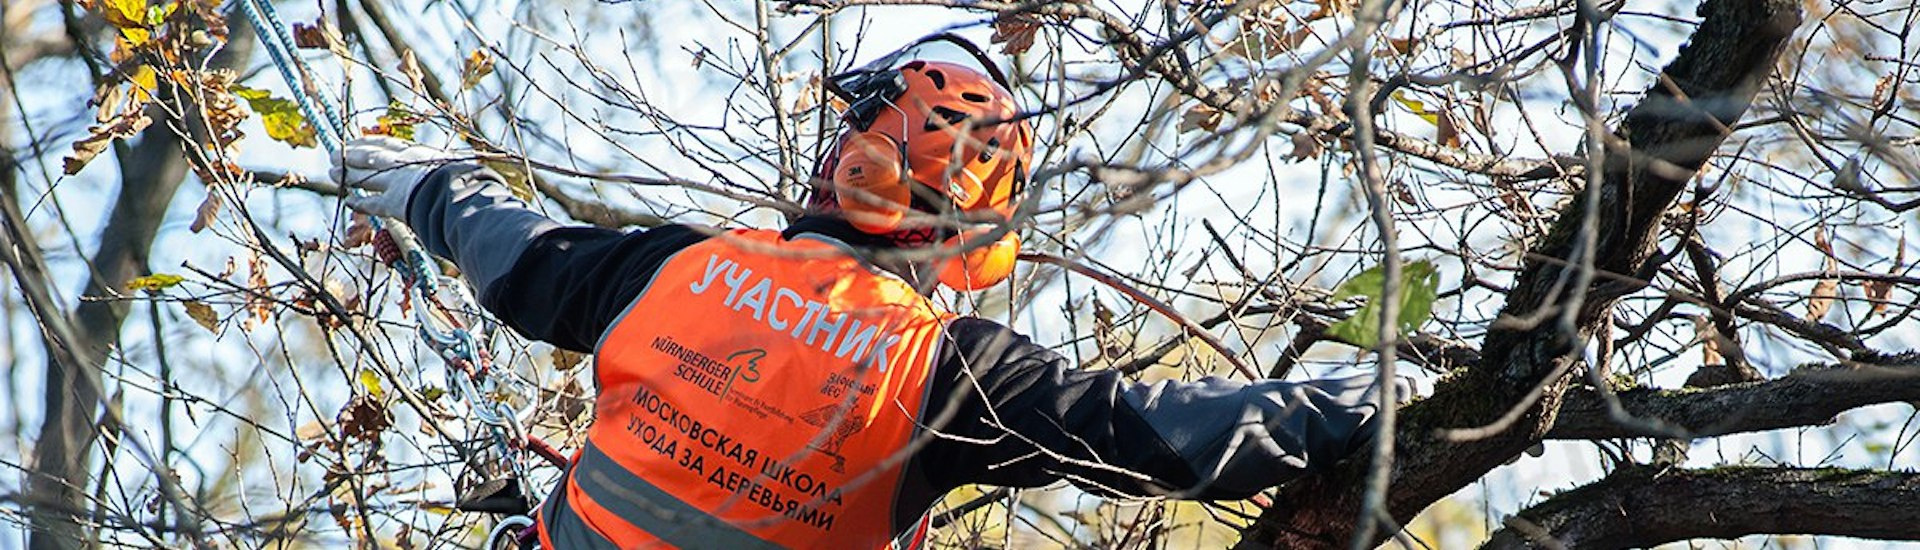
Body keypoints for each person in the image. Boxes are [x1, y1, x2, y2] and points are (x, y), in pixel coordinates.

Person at [333, 38, 1399, 550]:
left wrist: (433, 185)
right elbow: (1159, 436)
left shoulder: (679, 271)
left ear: (869, 156)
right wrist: (1363, 400)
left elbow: (520, 258)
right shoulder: (948, 375)